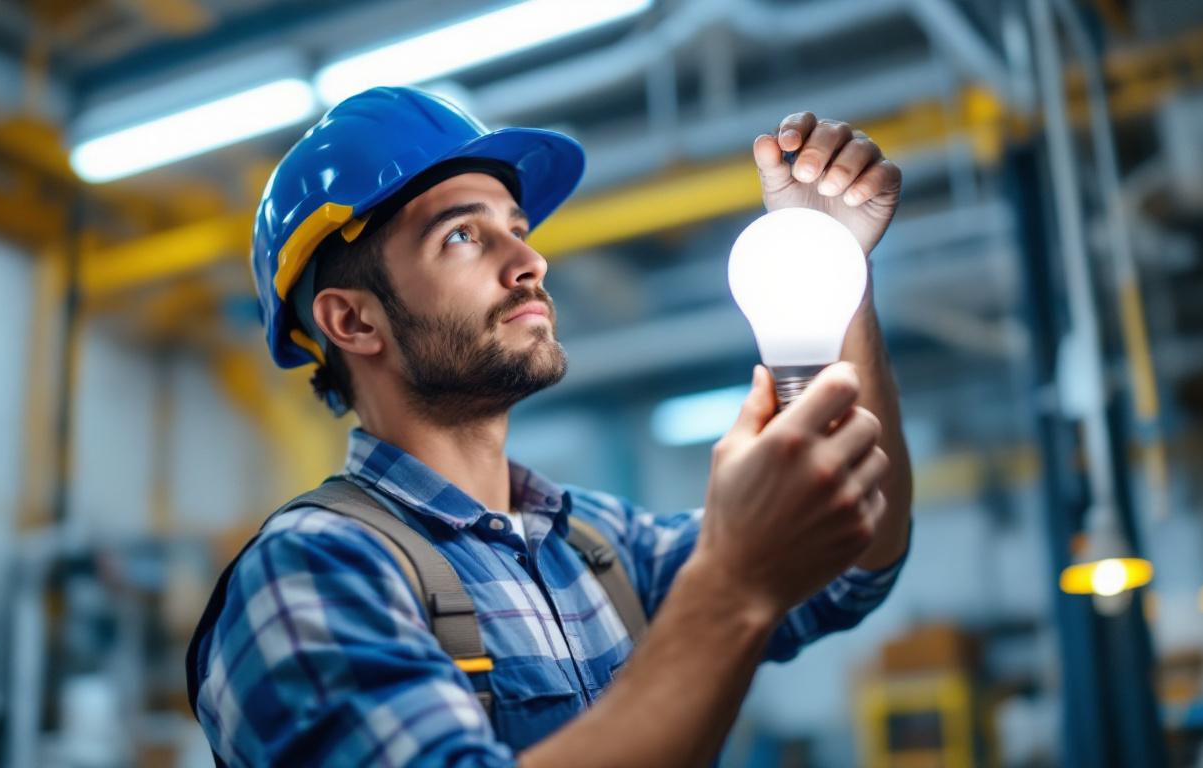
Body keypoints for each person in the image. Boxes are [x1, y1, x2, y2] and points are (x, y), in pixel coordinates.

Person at [187, 86, 912, 766]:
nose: (529, 262)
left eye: (519, 228)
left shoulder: (598, 546)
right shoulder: (310, 572)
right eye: (464, 236)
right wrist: (731, 590)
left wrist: (835, 274)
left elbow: (852, 564)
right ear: (352, 319)